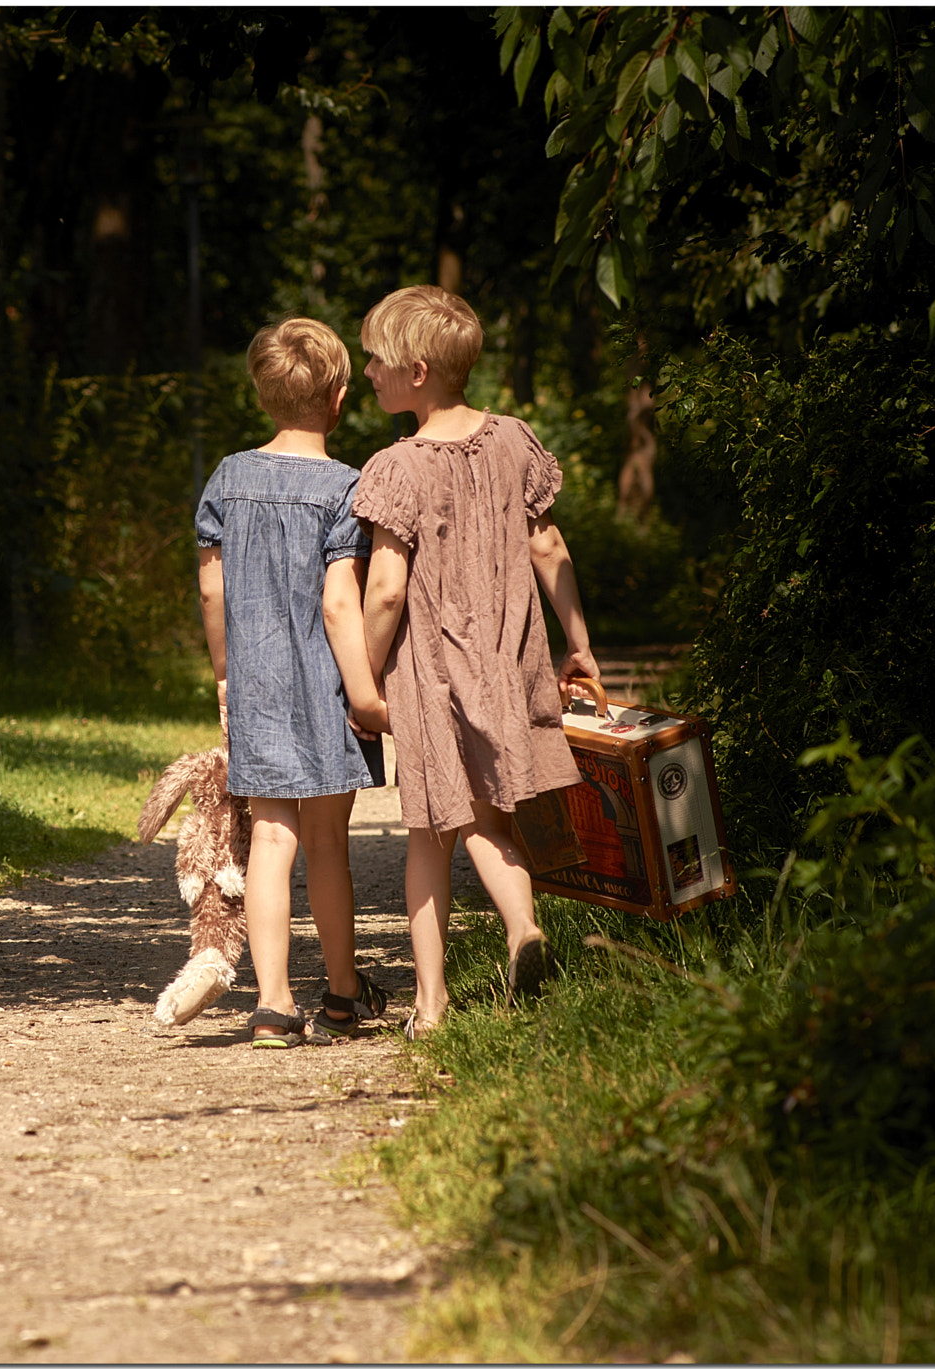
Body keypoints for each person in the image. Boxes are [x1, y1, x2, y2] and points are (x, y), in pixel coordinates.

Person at [351, 284, 599, 1040]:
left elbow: (387, 590)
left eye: (376, 361)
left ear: (418, 370)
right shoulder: (515, 439)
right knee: (494, 822)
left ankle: (431, 1005)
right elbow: (548, 545)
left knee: (429, 839)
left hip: (433, 675)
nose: (367, 374)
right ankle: (523, 928)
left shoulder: (396, 466)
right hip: (508, 662)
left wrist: (359, 678)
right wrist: (578, 639)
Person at [197, 317, 391, 1048]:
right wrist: (364, 689)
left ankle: (273, 1002)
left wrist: (225, 671)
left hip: (260, 688)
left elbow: (213, 592)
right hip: (326, 690)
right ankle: (342, 995)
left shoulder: (228, 477)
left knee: (270, 841)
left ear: (260, 394)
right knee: (328, 845)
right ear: (341, 396)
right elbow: (341, 601)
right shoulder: (347, 487)